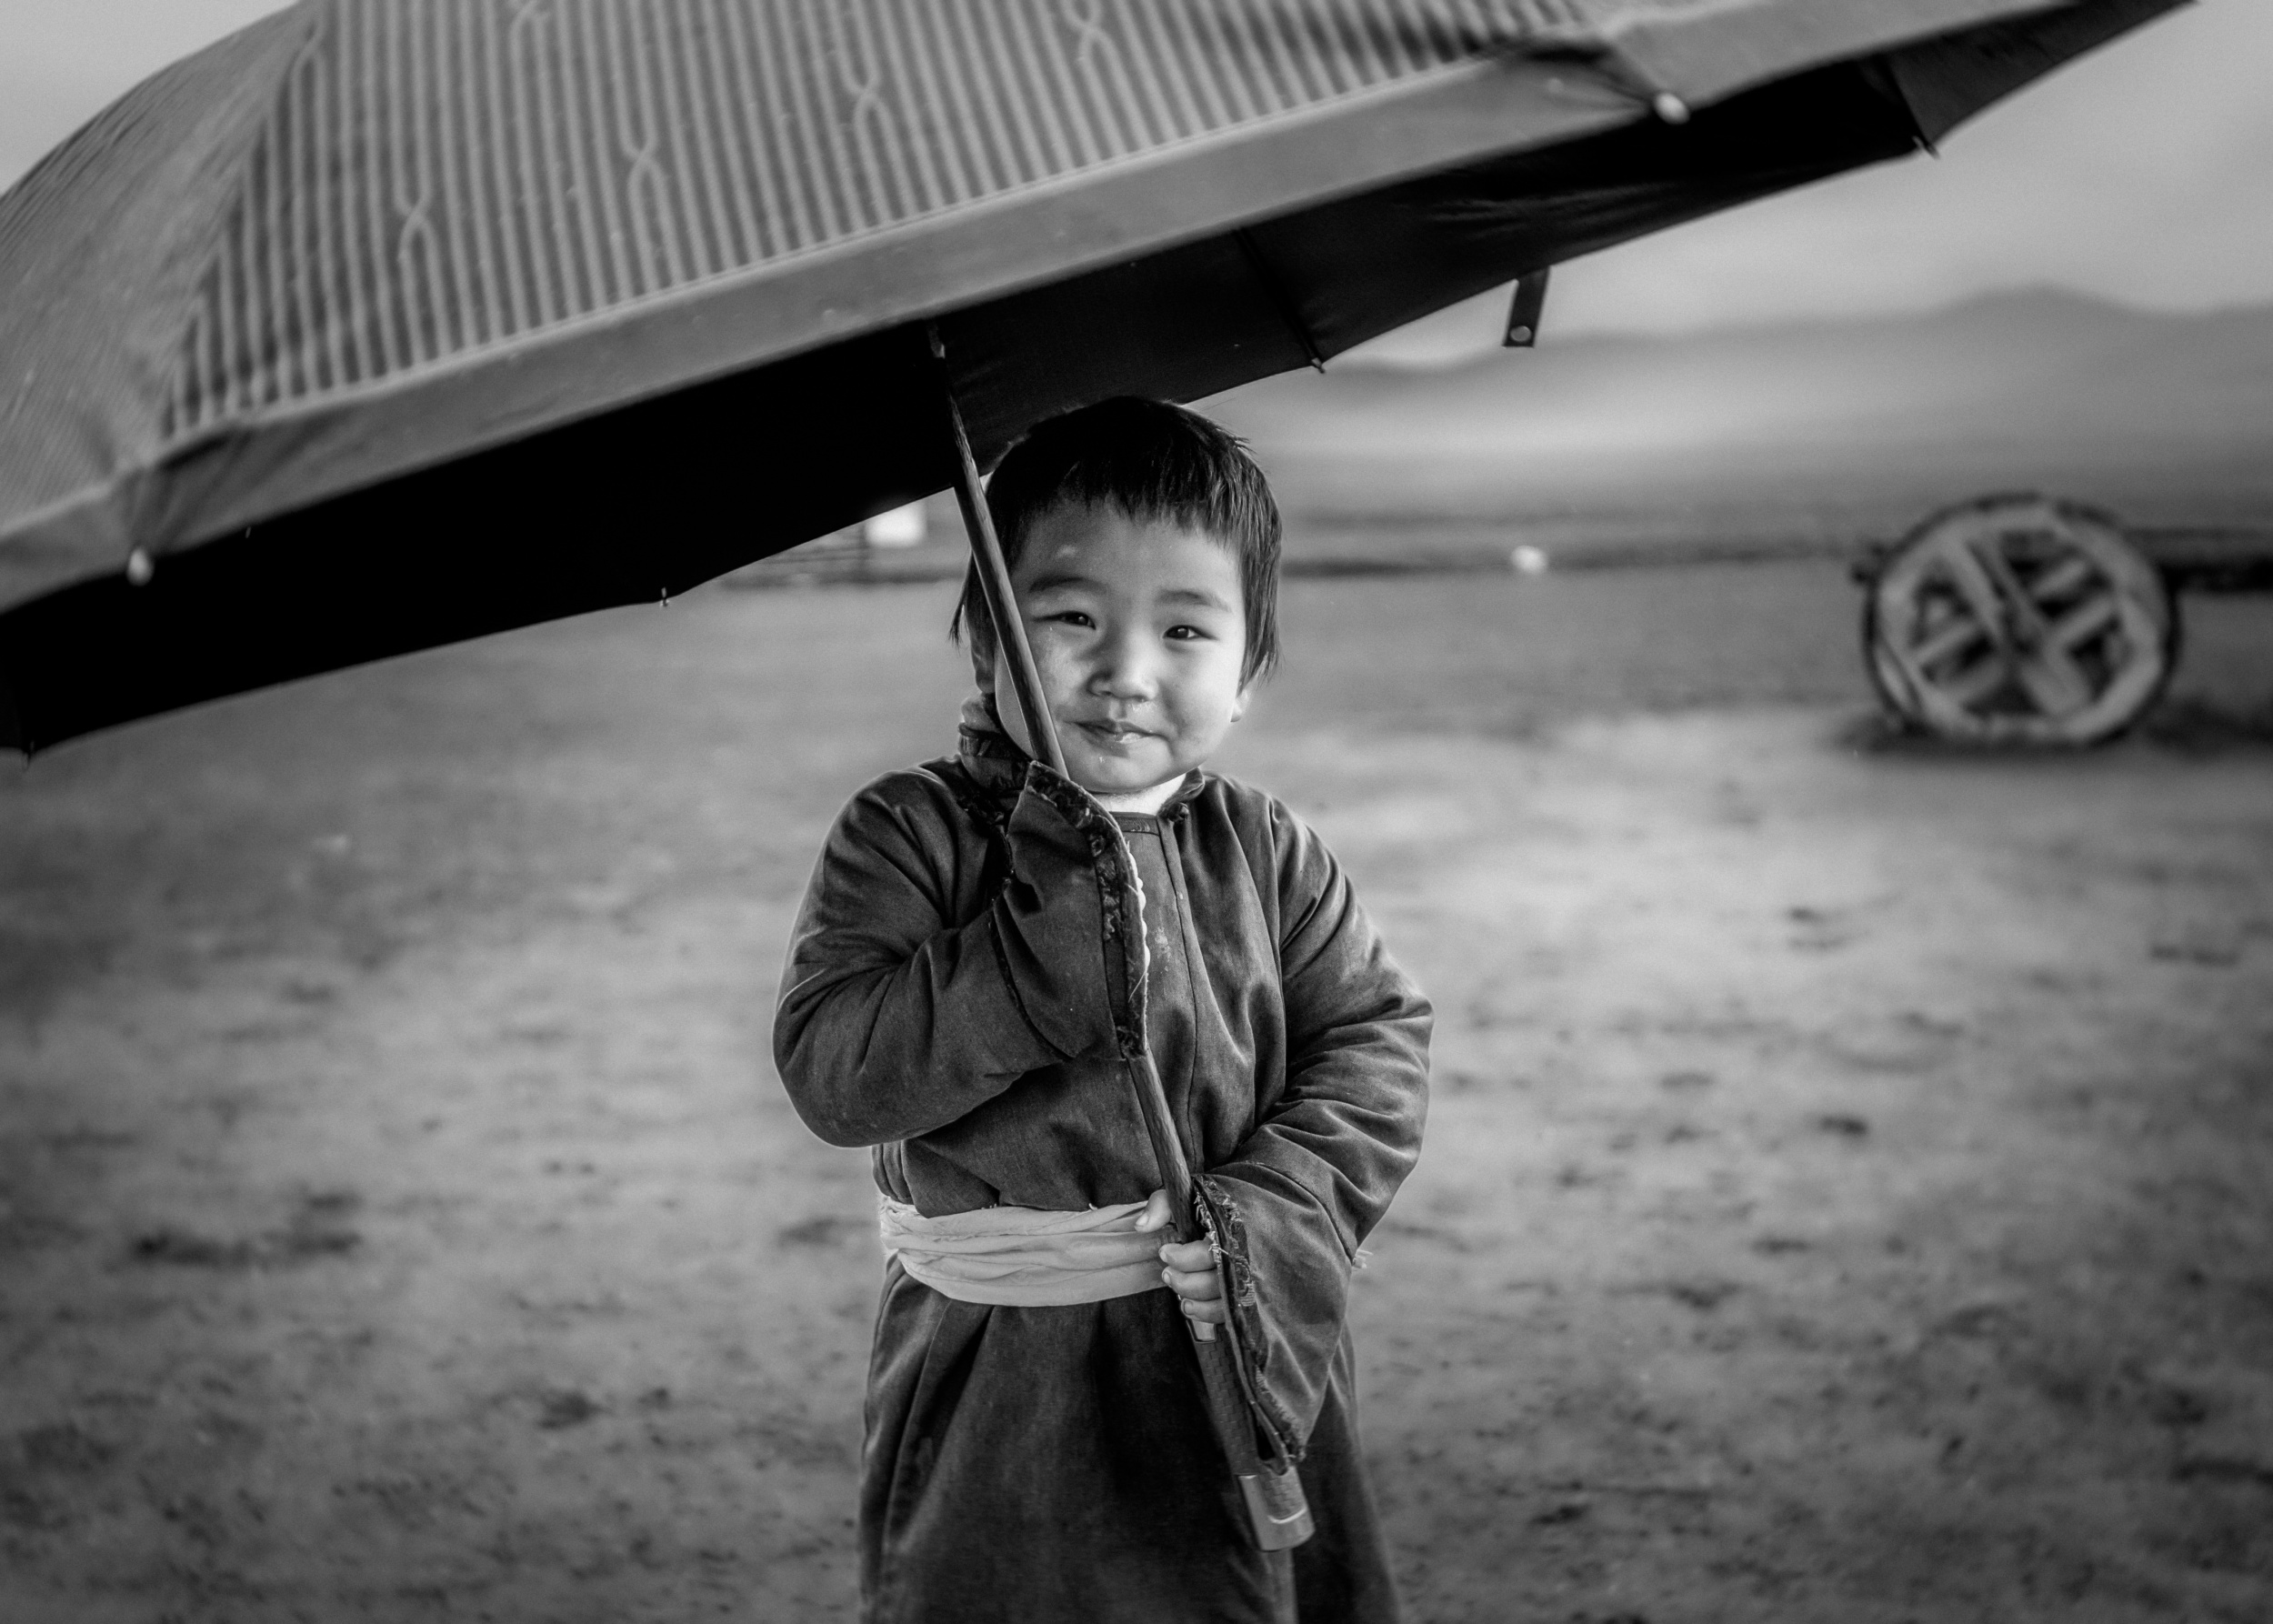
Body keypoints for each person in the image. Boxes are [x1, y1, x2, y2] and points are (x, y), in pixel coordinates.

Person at [773, 397, 1431, 1623]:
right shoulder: (908, 836)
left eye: (1184, 629)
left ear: (1249, 671)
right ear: (987, 635)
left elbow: (1375, 1042)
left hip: (1235, 1339)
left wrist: (1268, 1211)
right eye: (1072, 617)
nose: (1126, 672)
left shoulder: (1266, 850)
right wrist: (1040, 963)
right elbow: (834, 1071)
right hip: (1005, 1378)